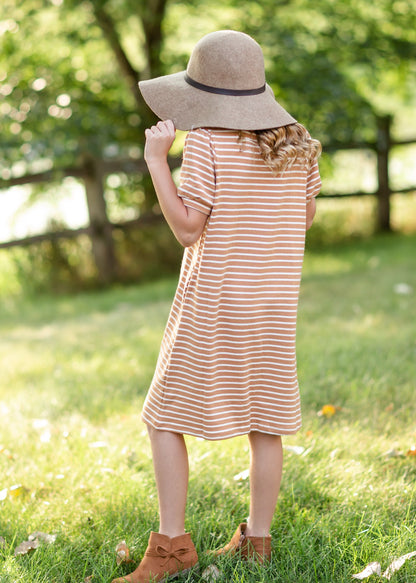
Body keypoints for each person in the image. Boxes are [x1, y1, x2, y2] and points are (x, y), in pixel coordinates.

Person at [112, 30, 321, 583]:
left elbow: (187, 229)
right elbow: (300, 222)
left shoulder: (205, 142)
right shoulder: (299, 141)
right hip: (273, 309)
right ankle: (258, 541)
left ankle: (172, 547)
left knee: (161, 416)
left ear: (203, 93)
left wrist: (159, 159)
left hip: (214, 305)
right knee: (265, 423)